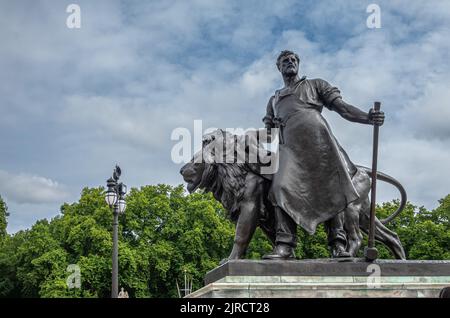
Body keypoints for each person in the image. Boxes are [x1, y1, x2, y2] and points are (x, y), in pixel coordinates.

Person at [262, 50, 384, 259]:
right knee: (279, 187)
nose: (290, 63)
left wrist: (367, 117)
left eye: (293, 60)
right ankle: (285, 246)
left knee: (330, 189)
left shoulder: (315, 85)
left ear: (298, 64)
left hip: (320, 143)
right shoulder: (274, 99)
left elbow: (342, 109)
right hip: (290, 150)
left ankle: (338, 244)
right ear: (279, 67)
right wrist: (271, 128)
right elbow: (268, 136)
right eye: (285, 61)